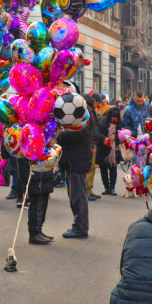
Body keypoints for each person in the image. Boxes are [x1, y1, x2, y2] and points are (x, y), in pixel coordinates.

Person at [58, 98, 96, 239]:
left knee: (78, 195)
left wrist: (60, 136)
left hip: (77, 158)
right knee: (73, 194)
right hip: (73, 158)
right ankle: (78, 225)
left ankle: (80, 227)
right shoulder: (78, 111)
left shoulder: (84, 113)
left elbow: (82, 134)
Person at [93, 94, 121, 196]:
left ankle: (112, 187)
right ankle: (106, 187)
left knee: (113, 168)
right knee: (103, 168)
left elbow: (122, 133)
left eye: (116, 118)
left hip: (113, 149)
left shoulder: (118, 123)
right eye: (113, 117)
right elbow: (97, 133)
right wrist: (104, 138)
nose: (115, 119)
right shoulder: (102, 121)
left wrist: (116, 136)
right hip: (103, 147)